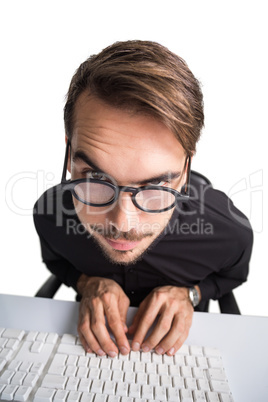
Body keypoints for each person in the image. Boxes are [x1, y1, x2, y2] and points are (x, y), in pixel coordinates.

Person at [33, 40, 253, 359]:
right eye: (95, 179)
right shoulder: (49, 215)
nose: (122, 224)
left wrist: (191, 294)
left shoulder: (227, 231)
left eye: (157, 185)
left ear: (187, 167)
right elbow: (56, 261)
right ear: (68, 152)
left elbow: (233, 275)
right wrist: (86, 282)